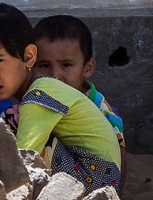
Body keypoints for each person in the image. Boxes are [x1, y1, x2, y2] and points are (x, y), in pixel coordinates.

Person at [0, 2, 122, 193]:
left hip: (95, 180)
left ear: (28, 56)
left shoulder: (40, 94)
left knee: (11, 128)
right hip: (95, 176)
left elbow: (26, 155)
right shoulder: (39, 93)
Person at [33, 14, 127, 180]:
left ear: (87, 68)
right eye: (44, 65)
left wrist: (114, 199)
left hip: (90, 177)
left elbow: (120, 154)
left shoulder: (99, 107)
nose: (55, 75)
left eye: (66, 65)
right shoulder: (38, 99)